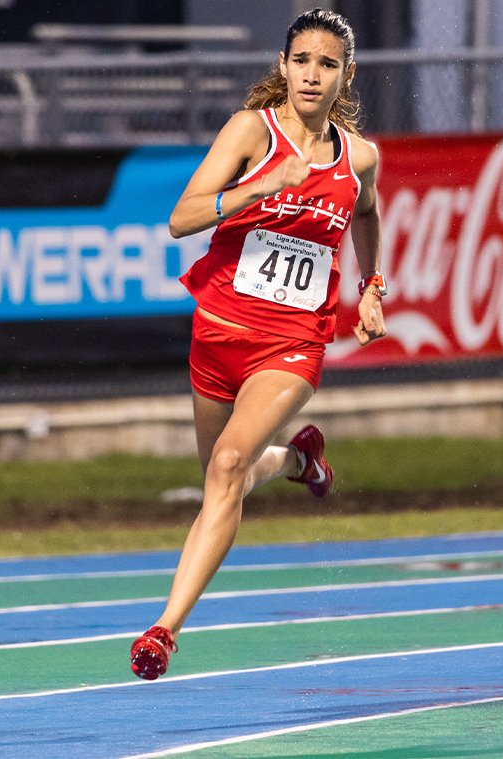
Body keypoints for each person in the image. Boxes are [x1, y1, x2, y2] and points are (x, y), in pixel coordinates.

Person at [128, 8, 387, 680]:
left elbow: (368, 212)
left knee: (226, 469)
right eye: (301, 60)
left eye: (326, 63)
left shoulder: (359, 157)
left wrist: (373, 286)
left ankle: (164, 630)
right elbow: (180, 218)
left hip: (292, 343)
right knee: (226, 469)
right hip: (216, 333)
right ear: (283, 66)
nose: (311, 74)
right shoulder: (253, 132)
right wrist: (261, 186)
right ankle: (302, 464)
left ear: (345, 76)